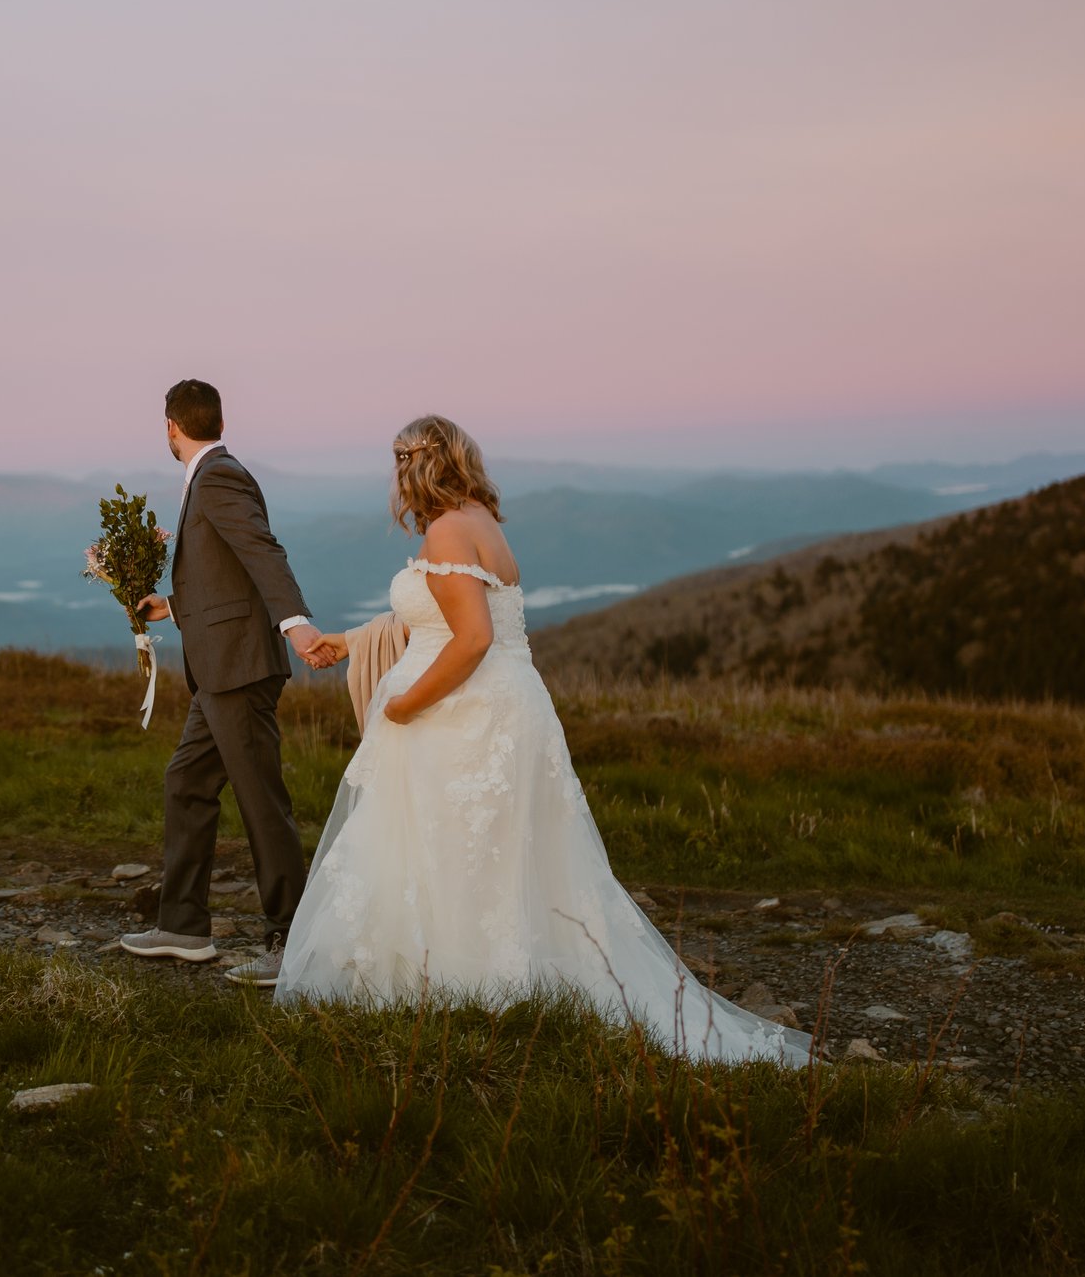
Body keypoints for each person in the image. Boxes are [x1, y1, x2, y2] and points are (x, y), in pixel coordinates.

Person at [277, 414, 812, 1065]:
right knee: (494, 848)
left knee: (448, 842)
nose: (396, 478)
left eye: (399, 462)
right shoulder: (480, 520)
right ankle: (485, 976)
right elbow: (445, 617)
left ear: (418, 466)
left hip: (461, 712)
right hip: (507, 704)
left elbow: (470, 639)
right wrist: (357, 640)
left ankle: (459, 979)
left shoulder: (447, 528)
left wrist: (404, 704)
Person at [117, 378, 334, 987]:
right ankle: (184, 927)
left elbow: (262, 551)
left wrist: (296, 624)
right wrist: (175, 605)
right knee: (187, 781)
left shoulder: (217, 477)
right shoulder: (213, 475)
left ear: (171, 426)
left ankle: (292, 941)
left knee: (262, 801)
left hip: (239, 668)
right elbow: (225, 572)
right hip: (219, 667)